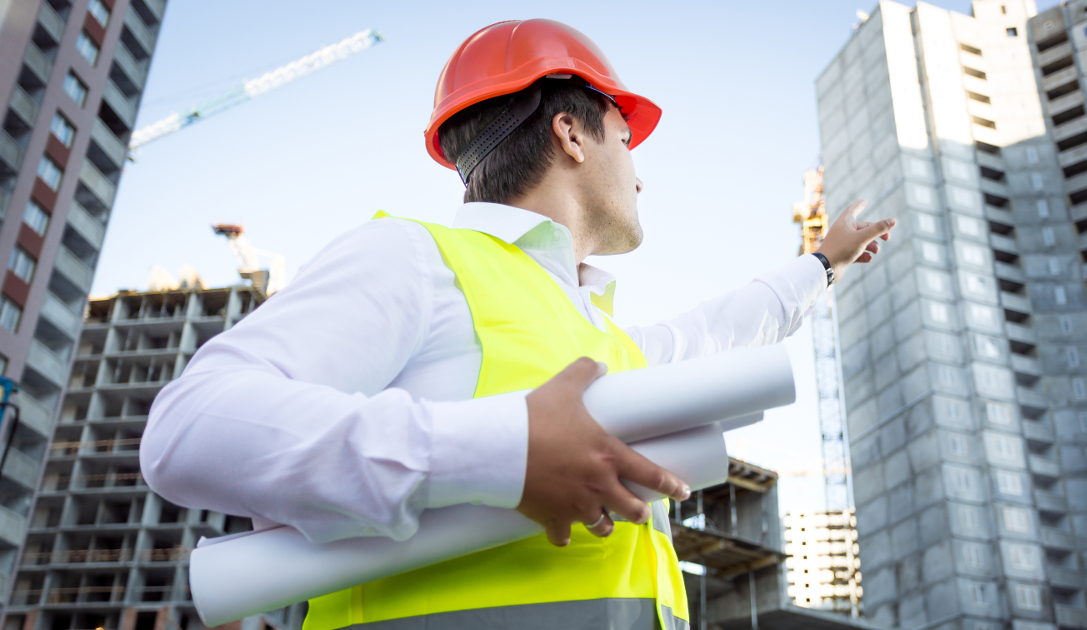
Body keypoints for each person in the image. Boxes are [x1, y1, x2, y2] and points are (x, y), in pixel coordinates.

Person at [142, 18, 894, 630]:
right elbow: (190, 426)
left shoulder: (604, 340)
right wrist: (506, 451)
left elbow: (719, 331)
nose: (640, 174)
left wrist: (819, 266)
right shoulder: (415, 259)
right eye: (625, 141)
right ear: (571, 134)